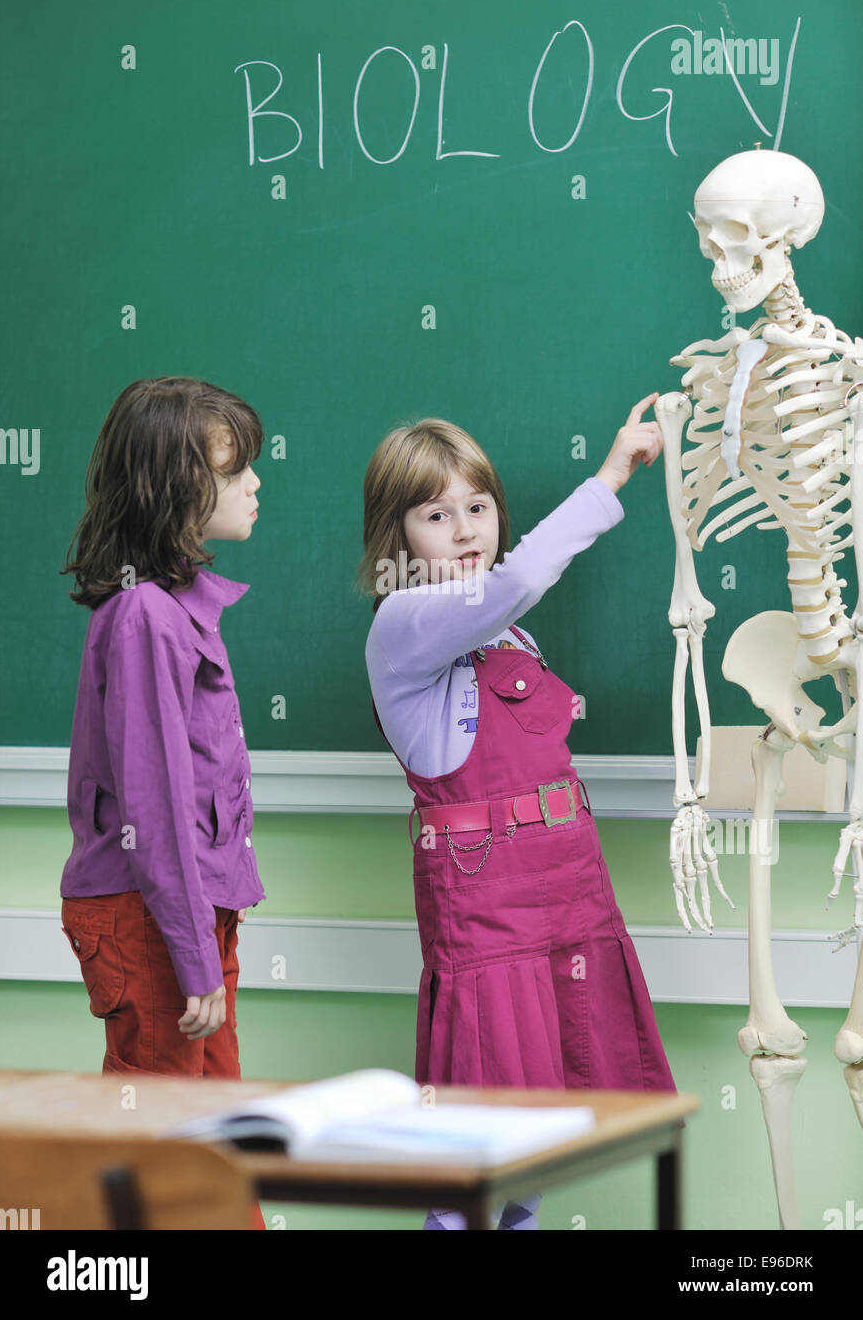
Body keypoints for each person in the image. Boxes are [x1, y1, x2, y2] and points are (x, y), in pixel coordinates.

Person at [358, 393, 673, 1231]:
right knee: (480, 1148)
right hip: (489, 923)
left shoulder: (511, 640)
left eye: (479, 506)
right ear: (397, 539)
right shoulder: (403, 623)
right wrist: (612, 475)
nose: (465, 529)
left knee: (541, 1135)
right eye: (435, 514)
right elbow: (520, 579)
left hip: (568, 905)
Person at [59, 376, 266, 1229]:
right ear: (175, 490)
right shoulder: (144, 614)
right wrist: (191, 955)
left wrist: (201, 940)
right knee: (159, 1151)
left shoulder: (176, 608)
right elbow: (156, 808)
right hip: (151, 916)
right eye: (236, 469)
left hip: (184, 912)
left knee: (214, 1137)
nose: (257, 483)